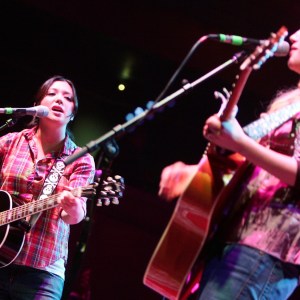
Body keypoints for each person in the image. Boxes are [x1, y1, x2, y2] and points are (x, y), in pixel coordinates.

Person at [158, 29, 300, 299]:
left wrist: (240, 142)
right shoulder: (290, 102)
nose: (293, 36)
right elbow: (252, 167)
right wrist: (198, 175)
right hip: (233, 236)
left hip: (268, 248)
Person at [0, 75, 95, 299]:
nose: (59, 100)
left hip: (42, 274)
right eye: (52, 94)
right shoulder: (9, 142)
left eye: (67, 97)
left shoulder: (80, 159)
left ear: (72, 114)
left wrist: (71, 206)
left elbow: (74, 216)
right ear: (36, 107)